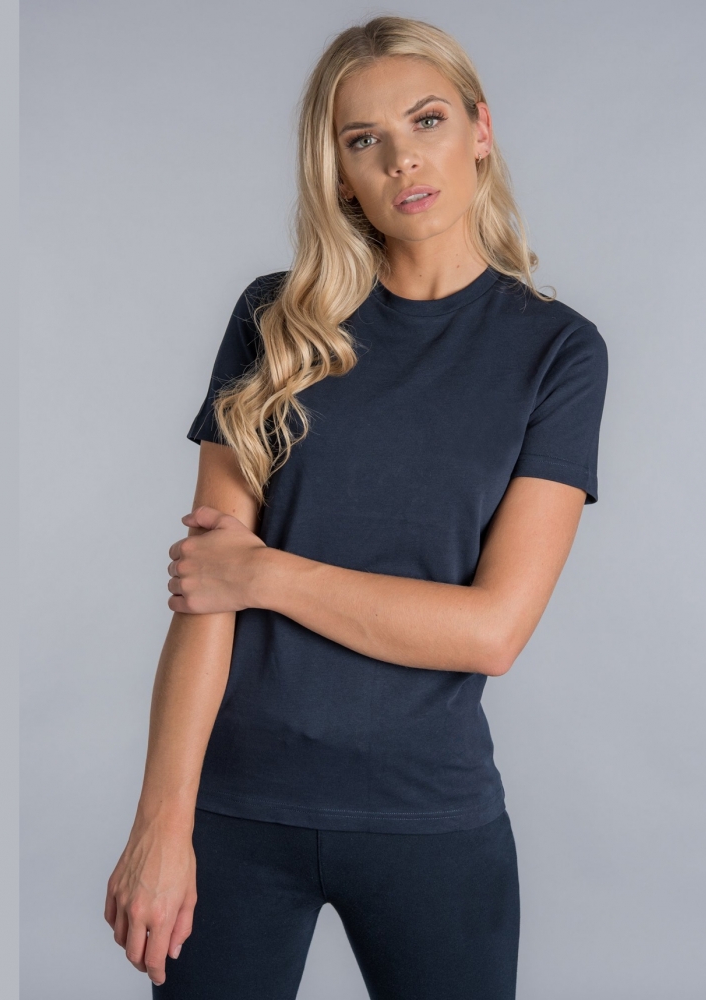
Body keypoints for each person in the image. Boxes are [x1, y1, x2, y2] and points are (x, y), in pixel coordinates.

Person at [104, 14, 608, 999]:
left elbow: (491, 631)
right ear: (337, 174)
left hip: (432, 817)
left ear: (479, 129)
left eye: (426, 120)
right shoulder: (276, 320)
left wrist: (265, 573)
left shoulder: (556, 352)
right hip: (234, 813)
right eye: (362, 139)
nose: (400, 159)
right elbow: (206, 592)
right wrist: (160, 823)